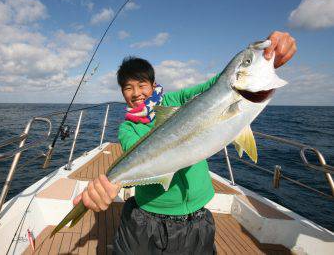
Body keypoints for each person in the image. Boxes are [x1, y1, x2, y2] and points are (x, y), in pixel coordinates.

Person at [72, 31, 297, 254]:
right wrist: (113, 184)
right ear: (122, 93)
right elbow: (135, 163)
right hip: (148, 216)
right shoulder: (128, 127)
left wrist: (272, 58)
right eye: (128, 88)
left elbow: (215, 86)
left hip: (197, 217)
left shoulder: (174, 100)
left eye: (141, 85)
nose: (136, 93)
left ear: (152, 85)